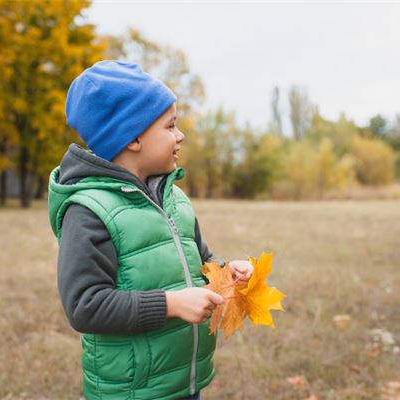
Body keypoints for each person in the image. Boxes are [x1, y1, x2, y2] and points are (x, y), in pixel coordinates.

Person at [48, 60, 253, 400]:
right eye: (171, 126)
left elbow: (201, 260)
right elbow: (84, 305)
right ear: (132, 137)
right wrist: (171, 304)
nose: (180, 135)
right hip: (132, 390)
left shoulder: (174, 198)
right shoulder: (89, 211)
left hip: (183, 380)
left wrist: (227, 272)